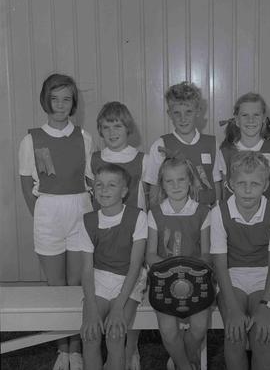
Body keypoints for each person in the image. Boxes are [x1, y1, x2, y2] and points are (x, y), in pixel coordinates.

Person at [19, 73, 93, 370]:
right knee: (56, 285)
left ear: (73, 102)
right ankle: (62, 350)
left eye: (67, 98)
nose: (61, 105)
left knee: (76, 285)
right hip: (49, 211)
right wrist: (41, 214)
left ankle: (75, 349)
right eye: (55, 98)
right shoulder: (31, 138)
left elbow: (90, 178)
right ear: (45, 101)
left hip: (79, 209)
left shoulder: (84, 137)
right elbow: (26, 184)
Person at [211, 151, 270, 370]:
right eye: (241, 183)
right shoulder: (219, 212)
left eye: (254, 184)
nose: (247, 189)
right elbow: (220, 265)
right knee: (233, 335)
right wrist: (233, 309)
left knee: (262, 337)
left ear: (265, 186)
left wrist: (266, 304)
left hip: (264, 277)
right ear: (230, 184)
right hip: (232, 277)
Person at [91, 101, 149, 370]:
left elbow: (149, 198)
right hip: (104, 235)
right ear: (100, 131)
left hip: (133, 233)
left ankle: (130, 349)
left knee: (130, 292)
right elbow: (89, 200)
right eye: (106, 127)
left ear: (128, 129)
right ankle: (107, 353)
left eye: (118, 126)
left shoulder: (142, 159)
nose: (112, 132)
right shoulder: (94, 159)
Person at [146, 154, 211, 370]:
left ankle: (183, 356)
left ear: (191, 181)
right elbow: (150, 255)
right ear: (162, 185)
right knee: (168, 331)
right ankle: (185, 365)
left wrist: (188, 273)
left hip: (197, 280)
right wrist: (173, 272)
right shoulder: (154, 213)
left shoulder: (203, 212)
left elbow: (206, 255)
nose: (176, 185)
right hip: (164, 283)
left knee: (200, 327)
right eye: (169, 181)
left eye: (181, 179)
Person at [79, 164, 147, 370]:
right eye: (99, 184)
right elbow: (87, 269)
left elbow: (135, 266)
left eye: (111, 185)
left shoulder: (137, 216)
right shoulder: (88, 220)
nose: (104, 189)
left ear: (124, 191)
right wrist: (90, 308)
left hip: (128, 279)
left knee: (115, 335)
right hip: (99, 278)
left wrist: (118, 307)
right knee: (90, 335)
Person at [145, 81, 222, 206]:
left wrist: (217, 211)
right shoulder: (161, 145)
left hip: (205, 216)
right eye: (177, 113)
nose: (183, 118)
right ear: (169, 114)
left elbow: (216, 182)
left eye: (188, 112)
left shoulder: (212, 144)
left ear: (198, 111)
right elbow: (154, 186)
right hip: (173, 218)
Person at [219, 92, 270, 201]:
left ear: (264, 118)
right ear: (237, 120)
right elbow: (224, 191)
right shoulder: (225, 152)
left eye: (256, 115)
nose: (251, 120)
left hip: (265, 214)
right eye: (245, 115)